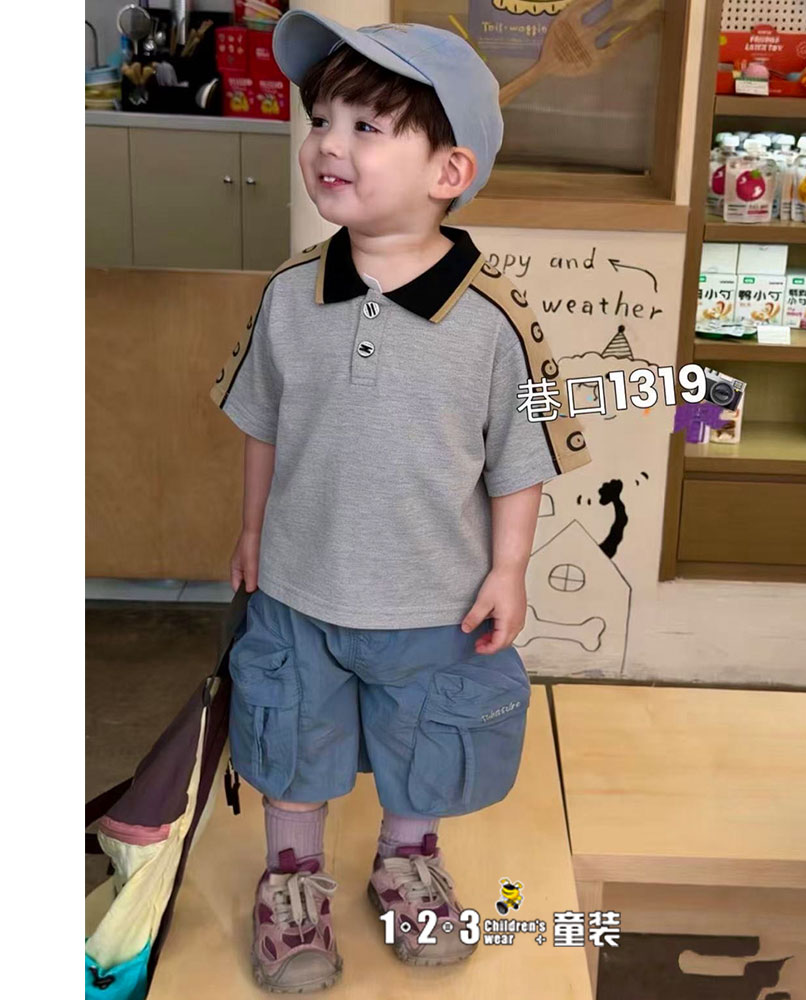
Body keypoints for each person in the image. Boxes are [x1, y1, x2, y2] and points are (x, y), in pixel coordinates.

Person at [208, 10, 592, 993]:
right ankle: (292, 879)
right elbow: (263, 426)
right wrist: (250, 532)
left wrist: (509, 568)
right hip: (298, 588)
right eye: (321, 120)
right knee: (292, 732)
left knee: (426, 738)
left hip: (434, 598)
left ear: (448, 170)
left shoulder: (497, 319)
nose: (328, 144)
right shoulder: (288, 295)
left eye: (366, 127)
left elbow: (519, 457)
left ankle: (406, 861)